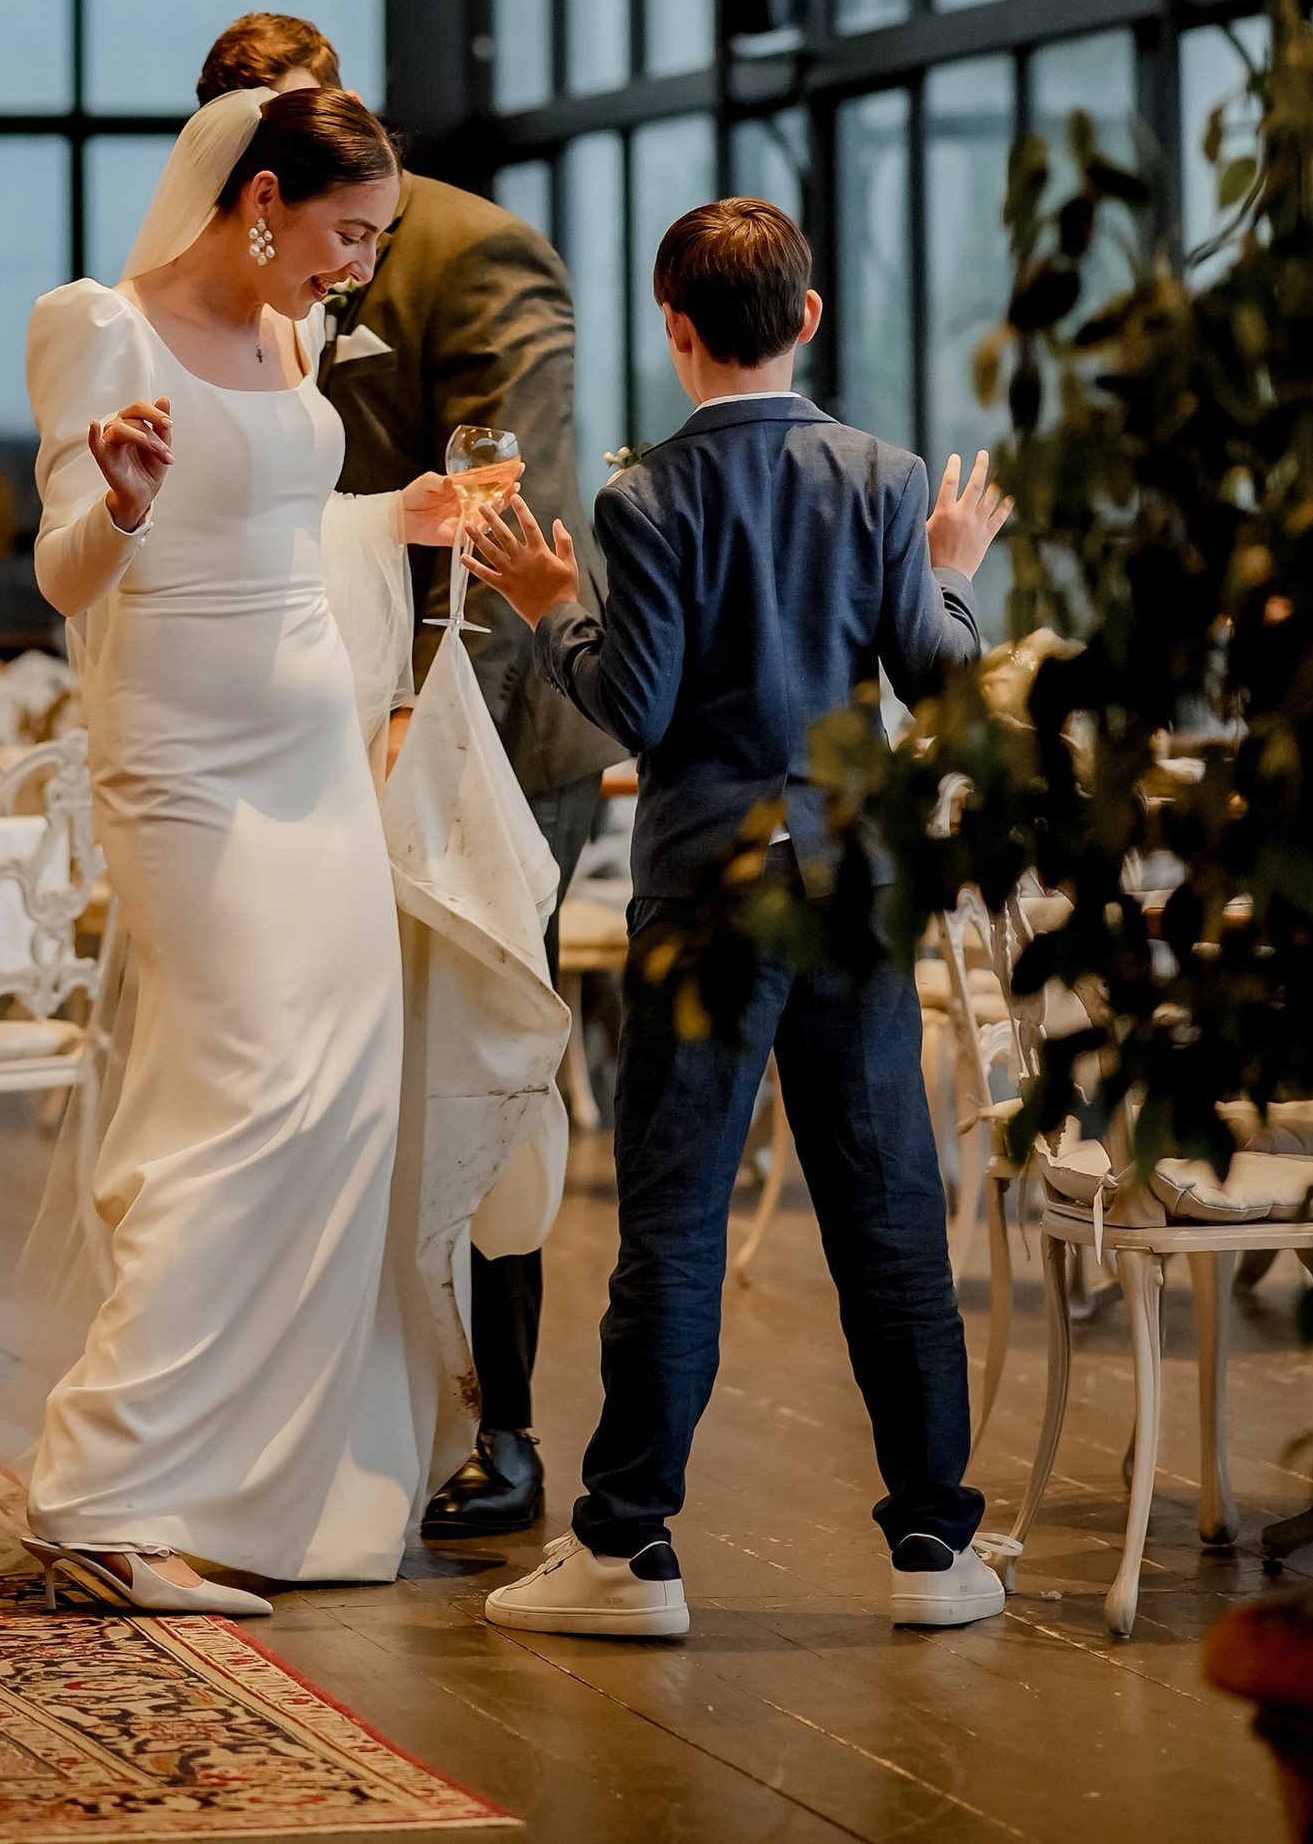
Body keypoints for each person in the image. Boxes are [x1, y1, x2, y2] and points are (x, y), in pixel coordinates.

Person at [465, 192, 1010, 1642]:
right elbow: (940, 679)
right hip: (850, 886)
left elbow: (629, 704)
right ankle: (934, 1549)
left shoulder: (644, 499)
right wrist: (950, 571)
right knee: (890, 1214)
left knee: (677, 1220)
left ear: (676, 330)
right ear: (810, 320)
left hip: (708, 887)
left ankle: (628, 1552)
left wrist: (546, 600)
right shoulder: (890, 480)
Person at [21, 85, 477, 1613]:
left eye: (379, 241)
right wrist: (126, 510)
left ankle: (246, 1494)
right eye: (349, 233)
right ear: (264, 197)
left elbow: (285, 520)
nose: (357, 268)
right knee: (243, 1100)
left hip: (313, 764)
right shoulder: (98, 326)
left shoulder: (290, 332)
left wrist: (392, 518)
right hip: (187, 769)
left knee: (343, 1096)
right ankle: (101, 1486)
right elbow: (66, 575)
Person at [192, 11, 616, 1540]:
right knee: (304, 1072)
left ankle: (499, 1429)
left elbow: (513, 518)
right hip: (283, 735)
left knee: (474, 1064)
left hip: (468, 735)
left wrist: (416, 719)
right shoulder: (218, 270)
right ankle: (329, 1393)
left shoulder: (471, 253)